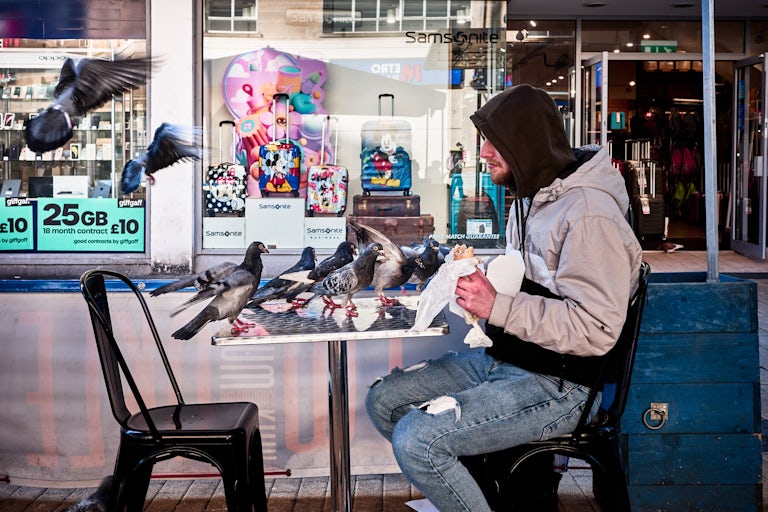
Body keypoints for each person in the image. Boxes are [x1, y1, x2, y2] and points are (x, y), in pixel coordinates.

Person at [365, 84, 643, 512]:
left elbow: (597, 330)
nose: (484, 152)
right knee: (385, 399)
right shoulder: (533, 196)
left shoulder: (588, 214)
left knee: (417, 440)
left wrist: (497, 305)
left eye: (495, 142)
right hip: (511, 358)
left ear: (525, 143)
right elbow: (532, 281)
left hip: (561, 383)